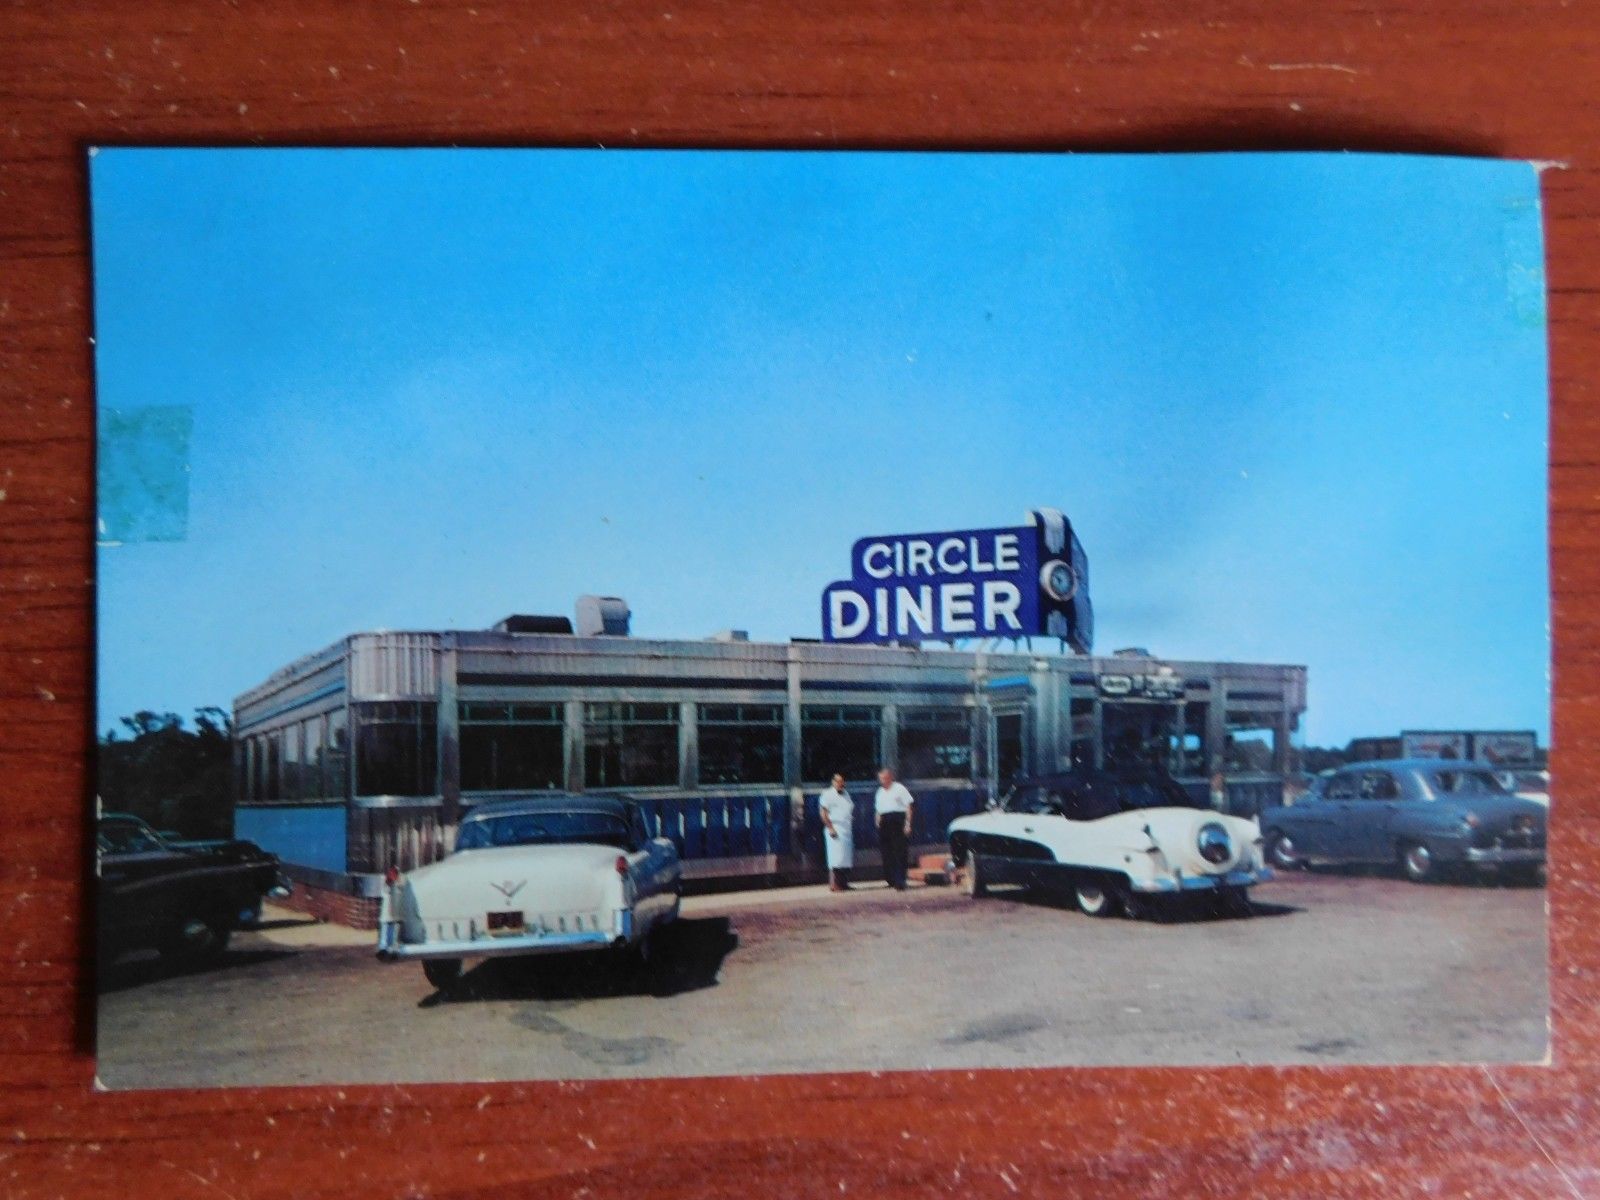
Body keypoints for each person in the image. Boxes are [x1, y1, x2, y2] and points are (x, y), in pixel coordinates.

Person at [873, 767, 915, 891]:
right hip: (884, 822)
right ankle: (890, 880)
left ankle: (900, 881)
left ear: (891, 777)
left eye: (885, 778)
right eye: (881, 778)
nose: (883, 781)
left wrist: (908, 824)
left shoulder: (899, 788)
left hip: (898, 820)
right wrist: (877, 821)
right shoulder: (879, 791)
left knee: (899, 851)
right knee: (886, 852)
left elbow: (909, 806)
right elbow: (878, 809)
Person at [817, 773, 854, 892]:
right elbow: (823, 813)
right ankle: (834, 885)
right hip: (835, 827)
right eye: (837, 781)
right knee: (835, 859)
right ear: (833, 782)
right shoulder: (827, 794)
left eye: (842, 781)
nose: (840, 784)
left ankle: (844, 884)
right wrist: (830, 828)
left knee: (845, 859)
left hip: (846, 829)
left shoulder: (846, 794)